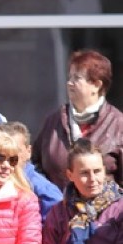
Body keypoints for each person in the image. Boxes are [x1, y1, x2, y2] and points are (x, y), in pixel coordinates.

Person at [33, 49, 123, 190]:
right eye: (70, 77)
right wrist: (47, 195)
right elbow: (33, 167)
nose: (69, 83)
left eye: (77, 78)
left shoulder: (118, 124)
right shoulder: (53, 121)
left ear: (96, 85)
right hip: (58, 208)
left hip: (106, 210)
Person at [0, 121, 63, 221]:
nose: (8, 157)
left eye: (15, 151)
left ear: (28, 152)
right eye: (0, 151)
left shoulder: (45, 192)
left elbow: (55, 231)